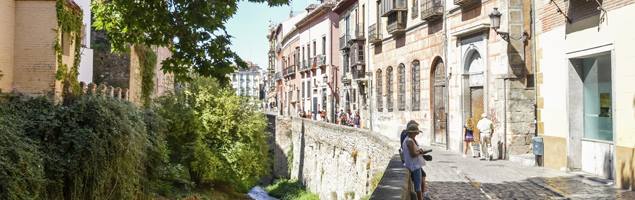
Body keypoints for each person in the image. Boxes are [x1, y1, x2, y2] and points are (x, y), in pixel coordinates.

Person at [403, 124, 430, 200]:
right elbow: (413, 154)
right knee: (418, 185)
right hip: (414, 165)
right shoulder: (410, 141)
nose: (417, 134)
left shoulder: (407, 139)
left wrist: (419, 152)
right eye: (416, 133)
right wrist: (420, 151)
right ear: (412, 132)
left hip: (411, 164)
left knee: (418, 183)